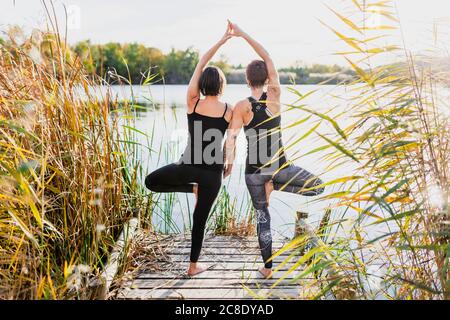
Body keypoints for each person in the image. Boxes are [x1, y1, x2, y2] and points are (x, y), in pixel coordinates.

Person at [224, 21, 325, 278]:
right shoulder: (275, 98)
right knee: (317, 186)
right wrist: (243, 33)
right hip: (280, 167)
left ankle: (267, 268)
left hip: (254, 173)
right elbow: (267, 56)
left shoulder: (240, 107)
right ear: (268, 78)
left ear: (247, 81)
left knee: (262, 217)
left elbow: (232, 139)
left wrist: (229, 164)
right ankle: (275, 184)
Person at [145, 23, 233, 277]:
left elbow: (201, 62)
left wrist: (221, 41)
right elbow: (229, 142)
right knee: (200, 220)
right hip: (213, 173)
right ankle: (193, 267)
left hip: (188, 166)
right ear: (222, 85)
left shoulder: (192, 103)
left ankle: (191, 187)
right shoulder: (228, 110)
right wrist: (228, 162)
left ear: (203, 83)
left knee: (151, 182)